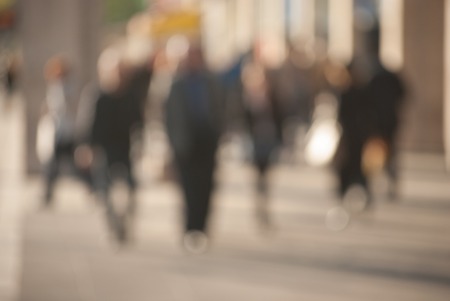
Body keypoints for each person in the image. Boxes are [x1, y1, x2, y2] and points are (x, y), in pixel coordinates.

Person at [165, 45, 224, 253]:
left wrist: (220, 132)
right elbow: (169, 116)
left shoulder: (211, 81)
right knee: (189, 188)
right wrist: (172, 144)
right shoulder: (175, 84)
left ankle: (202, 228)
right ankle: (190, 229)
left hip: (207, 140)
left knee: (206, 187)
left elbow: (222, 108)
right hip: (185, 143)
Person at [240, 44, 283, 229]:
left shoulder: (273, 97)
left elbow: (280, 116)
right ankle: (260, 207)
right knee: (258, 177)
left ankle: (264, 207)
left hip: (269, 140)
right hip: (254, 142)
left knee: (266, 177)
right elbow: (241, 120)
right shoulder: (246, 99)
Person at [42, 56, 76, 206]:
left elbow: (61, 109)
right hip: (58, 131)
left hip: (63, 131)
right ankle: (47, 194)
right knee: (52, 165)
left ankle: (96, 187)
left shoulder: (65, 87)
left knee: (61, 165)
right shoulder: (55, 86)